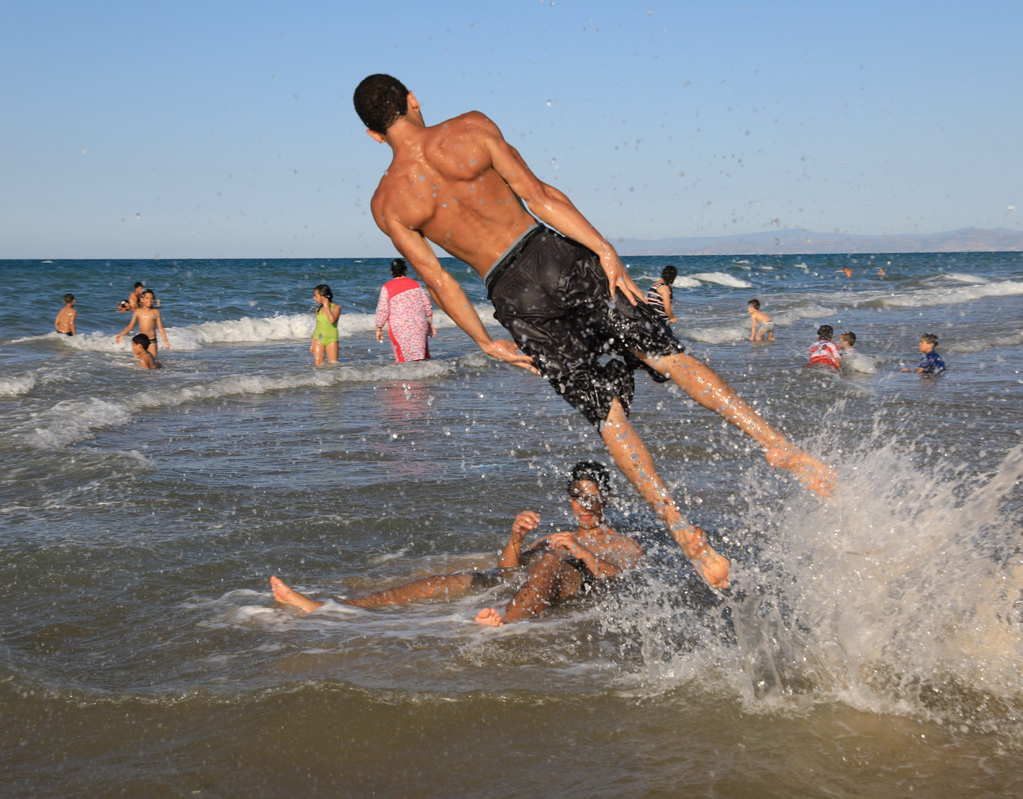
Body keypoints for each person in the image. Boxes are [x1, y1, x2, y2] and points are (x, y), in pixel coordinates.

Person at [351, 74, 835, 589]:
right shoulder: (469, 128)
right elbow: (538, 196)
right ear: (413, 100)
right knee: (666, 356)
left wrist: (485, 340)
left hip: (511, 294)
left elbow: (439, 280)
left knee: (608, 415)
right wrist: (604, 248)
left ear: (372, 135)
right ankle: (776, 444)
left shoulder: (388, 203)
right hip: (554, 256)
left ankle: (680, 526)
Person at [270, 462, 643, 625]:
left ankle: (504, 624)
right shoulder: (553, 535)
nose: (584, 505)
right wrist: (516, 537)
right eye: (577, 497)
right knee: (455, 579)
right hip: (519, 587)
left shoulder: (624, 543)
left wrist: (579, 552)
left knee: (548, 564)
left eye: (592, 497)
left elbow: (620, 579)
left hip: (563, 588)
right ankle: (333, 608)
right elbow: (506, 570)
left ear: (607, 498)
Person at [374, 259, 436, 362]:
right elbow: (427, 305)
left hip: (399, 328)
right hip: (419, 325)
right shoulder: (416, 284)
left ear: (392, 272)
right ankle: (425, 377)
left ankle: (405, 378)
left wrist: (379, 328)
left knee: (403, 359)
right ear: (405, 271)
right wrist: (430, 324)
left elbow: (382, 310)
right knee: (422, 357)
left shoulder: (387, 287)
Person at [115, 289, 169, 356]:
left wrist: (165, 341)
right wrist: (121, 334)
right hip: (141, 342)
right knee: (137, 363)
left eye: (151, 298)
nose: (149, 300)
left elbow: (161, 328)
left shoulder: (156, 312)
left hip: (152, 341)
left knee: (152, 362)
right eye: (147, 298)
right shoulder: (138, 312)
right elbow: (130, 326)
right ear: (142, 299)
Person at [311, 284, 341, 365]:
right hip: (319, 339)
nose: (314, 298)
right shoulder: (318, 310)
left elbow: (332, 320)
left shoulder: (336, 307)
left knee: (333, 365)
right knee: (318, 364)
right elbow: (317, 326)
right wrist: (312, 343)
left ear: (322, 296)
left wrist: (327, 307)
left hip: (332, 340)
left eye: (315, 295)